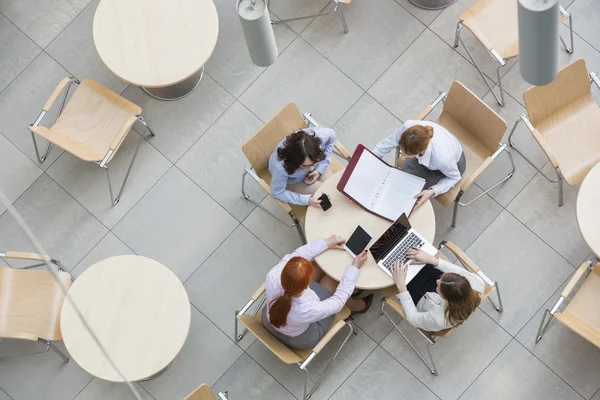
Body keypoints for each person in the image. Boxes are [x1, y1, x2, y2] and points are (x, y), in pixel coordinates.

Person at [263, 235, 374, 349]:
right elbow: (338, 301)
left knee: (318, 266)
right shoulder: (309, 308)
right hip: (299, 339)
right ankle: (359, 306)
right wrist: (354, 267)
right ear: (307, 285)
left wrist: (326, 243)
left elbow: (295, 256)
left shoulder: (273, 275)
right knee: (330, 280)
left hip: (270, 320)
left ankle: (353, 292)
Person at [372, 121, 465, 207]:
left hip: (450, 167)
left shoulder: (442, 159)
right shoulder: (408, 128)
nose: (402, 154)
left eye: (406, 154)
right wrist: (372, 158)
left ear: (421, 151)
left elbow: (455, 177)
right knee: (400, 181)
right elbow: (385, 145)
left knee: (411, 193)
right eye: (401, 149)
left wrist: (432, 191)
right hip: (429, 157)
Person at [390, 247, 484, 332]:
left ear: (444, 298)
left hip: (421, 297)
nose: (437, 281)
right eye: (441, 278)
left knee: (394, 271)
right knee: (411, 257)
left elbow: (413, 318)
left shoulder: (439, 319)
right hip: (441, 290)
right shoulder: (477, 283)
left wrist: (401, 285)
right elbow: (458, 271)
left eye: (439, 286)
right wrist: (432, 259)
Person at [269, 128, 336, 207]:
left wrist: (319, 169)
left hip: (319, 164)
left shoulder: (321, 137)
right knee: (327, 194)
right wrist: (307, 200)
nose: (311, 169)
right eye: (304, 165)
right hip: (294, 179)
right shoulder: (281, 168)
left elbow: (332, 135)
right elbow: (277, 192)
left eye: (313, 163)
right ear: (294, 161)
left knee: (333, 186)